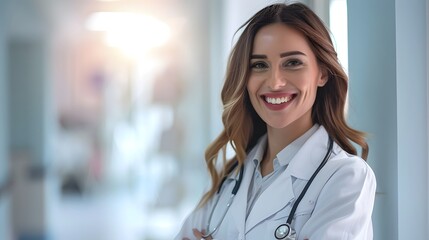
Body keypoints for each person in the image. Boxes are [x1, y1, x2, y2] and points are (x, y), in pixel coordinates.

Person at [176, 2, 376, 240]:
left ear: (322, 73)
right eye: (259, 65)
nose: (275, 82)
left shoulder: (345, 177)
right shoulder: (231, 174)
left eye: (292, 63)